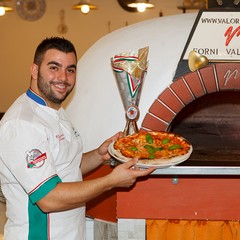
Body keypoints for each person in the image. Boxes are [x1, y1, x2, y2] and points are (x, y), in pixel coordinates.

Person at [0, 37, 156, 240]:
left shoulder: (56, 111)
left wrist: (100, 155)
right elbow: (49, 198)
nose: (63, 77)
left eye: (70, 70)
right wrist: (111, 181)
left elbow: (65, 167)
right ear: (34, 70)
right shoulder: (22, 124)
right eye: (54, 68)